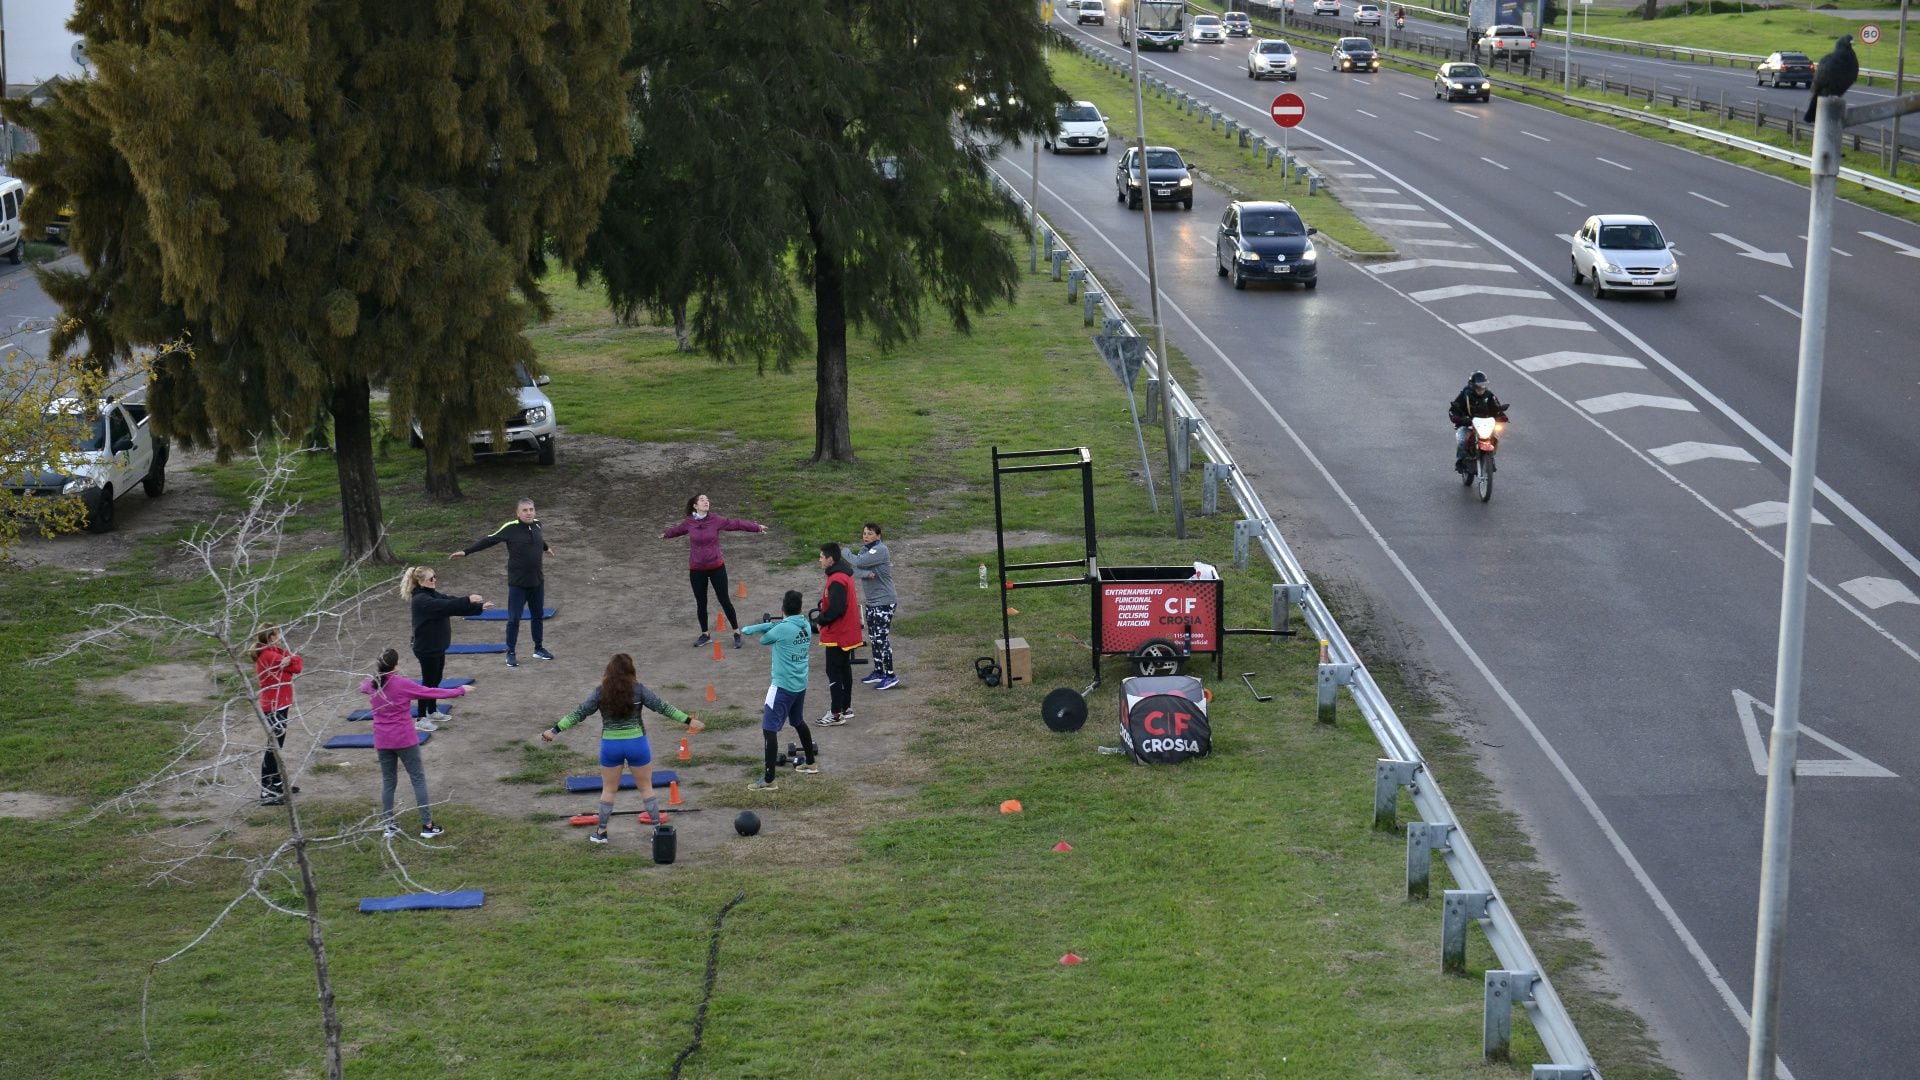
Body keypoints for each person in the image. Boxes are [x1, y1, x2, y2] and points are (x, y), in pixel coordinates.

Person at [541, 654, 703, 844]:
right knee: (646, 788)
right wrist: (689, 721)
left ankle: (601, 832)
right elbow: (663, 707)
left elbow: (579, 713)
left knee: (609, 790)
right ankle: (658, 831)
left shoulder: (601, 692)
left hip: (611, 746)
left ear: (608, 672)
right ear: (631, 671)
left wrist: (554, 730)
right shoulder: (639, 690)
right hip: (637, 744)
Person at [361, 648, 472, 839]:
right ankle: (427, 826)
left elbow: (363, 686)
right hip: (404, 739)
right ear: (396, 665)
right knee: (418, 780)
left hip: (382, 740)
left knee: (388, 782)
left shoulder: (372, 684)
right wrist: (460, 690)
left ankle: (389, 825)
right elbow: (430, 692)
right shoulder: (401, 684)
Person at [451, 497, 554, 668]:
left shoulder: (537, 524)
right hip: (518, 585)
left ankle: (538, 648)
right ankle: (511, 652)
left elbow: (538, 539)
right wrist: (466, 552)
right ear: (518, 513)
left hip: (537, 582)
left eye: (531, 509)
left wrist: (546, 547)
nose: (529, 513)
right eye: (525, 510)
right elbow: (488, 540)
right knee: (514, 619)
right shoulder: (510, 528)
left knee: (538, 616)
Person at [740, 590, 821, 792]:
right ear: (801, 608)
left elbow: (764, 639)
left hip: (782, 686)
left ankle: (769, 780)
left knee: (769, 729)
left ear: (782, 609)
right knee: (797, 721)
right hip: (799, 684)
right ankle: (810, 763)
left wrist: (758, 627)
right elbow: (782, 628)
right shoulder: (805, 625)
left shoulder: (782, 628)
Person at [661, 494, 766, 648]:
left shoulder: (715, 520)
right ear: (695, 506)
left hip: (716, 567)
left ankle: (737, 633)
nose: (706, 502)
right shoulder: (689, 522)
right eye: (702, 500)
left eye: (707, 500)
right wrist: (666, 534)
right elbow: (677, 530)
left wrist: (756, 528)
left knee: (724, 600)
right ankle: (705, 635)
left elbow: (736, 523)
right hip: (697, 570)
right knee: (701, 603)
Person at [402, 566, 489, 719]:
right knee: (428, 684)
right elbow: (445, 606)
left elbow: (452, 603)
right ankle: (421, 718)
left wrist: (478, 607)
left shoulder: (433, 594)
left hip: (437, 646)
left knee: (435, 680)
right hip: (426, 648)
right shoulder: (421, 600)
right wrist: (468, 599)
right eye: (431, 578)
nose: (434, 580)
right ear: (421, 582)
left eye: (434, 576)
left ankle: (432, 710)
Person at [811, 542, 863, 726]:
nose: (820, 559)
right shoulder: (843, 576)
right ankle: (845, 708)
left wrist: (820, 621)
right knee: (844, 669)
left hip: (838, 634)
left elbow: (837, 609)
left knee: (834, 671)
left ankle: (835, 714)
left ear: (830, 559)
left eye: (821, 557)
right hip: (848, 632)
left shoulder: (836, 580)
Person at [252, 625, 303, 805]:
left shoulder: (274, 651)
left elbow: (294, 660)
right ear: (272, 636)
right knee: (273, 747)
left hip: (279, 703)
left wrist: (291, 659)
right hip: (274, 705)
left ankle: (277, 783)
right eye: (278, 633)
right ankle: (267, 791)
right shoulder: (270, 656)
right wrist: (291, 660)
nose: (281, 636)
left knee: (276, 746)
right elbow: (297, 667)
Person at [849, 523, 898, 691]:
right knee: (873, 638)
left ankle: (890, 676)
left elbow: (857, 561)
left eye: (870, 533)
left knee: (881, 639)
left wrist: (844, 552)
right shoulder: (865, 550)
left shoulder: (880, 550)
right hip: (872, 602)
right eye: (864, 533)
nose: (866, 536)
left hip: (884, 601)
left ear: (878, 535)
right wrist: (864, 573)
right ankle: (879, 671)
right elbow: (853, 569)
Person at [1448, 370, 1511, 474]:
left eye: (1483, 386)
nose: (1481, 389)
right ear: (1472, 386)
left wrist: (1501, 415)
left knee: (1495, 438)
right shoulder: (1465, 394)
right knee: (1462, 440)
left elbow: (1496, 407)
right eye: (1479, 386)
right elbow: (1454, 408)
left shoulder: (1489, 395)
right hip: (1469, 423)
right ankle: (1460, 462)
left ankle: (1490, 459)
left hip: (1486, 424)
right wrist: (1458, 418)